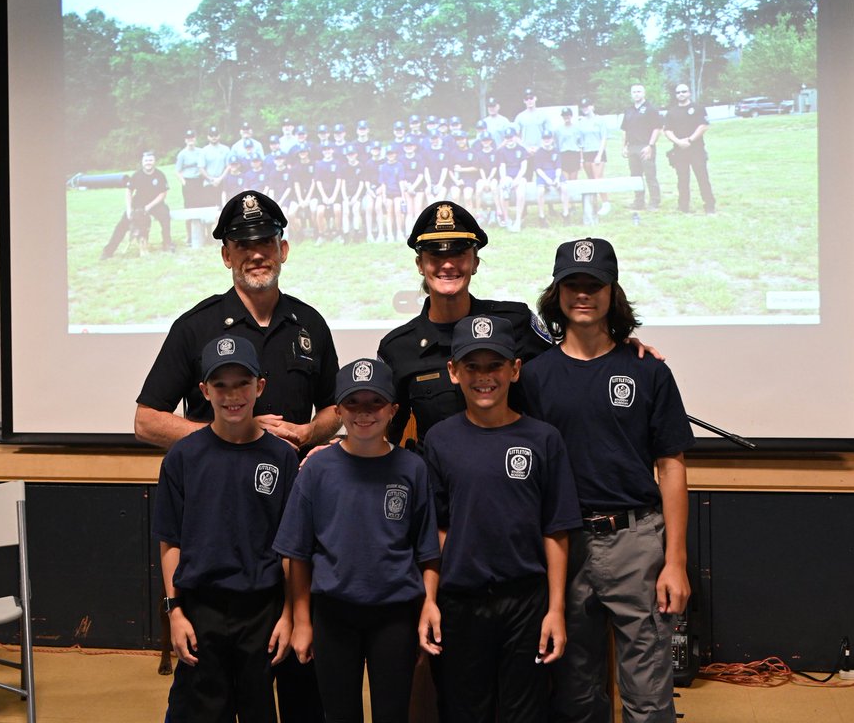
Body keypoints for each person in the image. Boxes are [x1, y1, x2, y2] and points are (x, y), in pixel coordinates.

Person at [135, 190, 338, 723]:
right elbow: (147, 420)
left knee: (299, 688)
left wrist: (307, 432)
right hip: (221, 537)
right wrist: (227, 433)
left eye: (266, 241)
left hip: (289, 531)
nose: (256, 253)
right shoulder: (196, 327)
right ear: (226, 255)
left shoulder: (310, 325)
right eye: (243, 244)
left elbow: (336, 408)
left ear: (283, 249)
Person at [521, 238, 694, 723]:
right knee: (575, 694)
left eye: (594, 285)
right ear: (556, 294)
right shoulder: (533, 377)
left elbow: (672, 465)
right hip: (564, 544)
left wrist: (675, 561)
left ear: (612, 292)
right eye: (571, 284)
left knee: (648, 696)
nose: (583, 294)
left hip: (635, 542)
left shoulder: (646, 370)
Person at [417, 314, 580, 723]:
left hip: (526, 600)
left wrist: (555, 609)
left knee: (525, 712)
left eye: (495, 366)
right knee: (462, 710)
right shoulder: (439, 439)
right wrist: (430, 600)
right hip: (460, 601)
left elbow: (556, 529)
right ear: (454, 371)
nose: (484, 377)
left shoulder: (543, 439)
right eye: (472, 366)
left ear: (515, 369)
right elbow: (436, 529)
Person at [274, 359, 440, 723]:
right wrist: (302, 621)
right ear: (338, 411)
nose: (364, 413)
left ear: (393, 410)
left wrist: (428, 604)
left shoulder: (412, 469)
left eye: (375, 403)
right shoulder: (316, 470)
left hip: (395, 614)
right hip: (333, 614)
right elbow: (297, 553)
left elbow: (427, 551)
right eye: (353, 403)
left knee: (393, 713)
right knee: (339, 713)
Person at [153, 335, 297, 723]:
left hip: (262, 611)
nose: (232, 396)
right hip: (200, 609)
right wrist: (175, 612)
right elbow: (170, 542)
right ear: (204, 391)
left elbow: (292, 549)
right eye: (221, 385)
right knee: (198, 709)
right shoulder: (183, 457)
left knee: (258, 708)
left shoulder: (281, 458)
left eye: (242, 384)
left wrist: (289, 614)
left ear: (259, 386)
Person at [377, 202, 551, 449]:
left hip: (512, 466)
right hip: (437, 472)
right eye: (436, 255)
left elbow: (559, 385)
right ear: (420, 265)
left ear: (475, 262)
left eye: (458, 253)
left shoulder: (516, 322)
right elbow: (383, 432)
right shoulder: (398, 347)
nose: (448, 265)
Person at [100, 150, 175, 259]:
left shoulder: (160, 175)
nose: (148, 162)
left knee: (165, 215)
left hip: (155, 204)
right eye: (146, 160)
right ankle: (108, 251)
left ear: (154, 162)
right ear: (142, 162)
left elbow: (163, 194)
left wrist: (149, 207)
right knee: (123, 224)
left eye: (150, 160)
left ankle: (167, 243)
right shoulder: (136, 175)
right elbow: (129, 191)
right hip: (138, 203)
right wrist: (129, 209)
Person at [663, 84, 716, 214]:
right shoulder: (671, 112)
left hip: (696, 149)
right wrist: (678, 142)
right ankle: (683, 207)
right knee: (682, 180)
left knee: (702, 178)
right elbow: (667, 130)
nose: (681, 94)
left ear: (689, 93)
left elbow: (703, 126)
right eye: (678, 92)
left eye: (683, 91)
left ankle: (709, 206)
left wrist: (690, 140)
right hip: (679, 151)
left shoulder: (698, 108)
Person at [621, 84, 664, 211]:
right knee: (635, 176)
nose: (636, 94)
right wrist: (624, 146)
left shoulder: (651, 109)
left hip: (645, 147)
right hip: (632, 147)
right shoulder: (628, 110)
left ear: (644, 93)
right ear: (631, 94)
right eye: (634, 92)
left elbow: (657, 128)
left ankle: (654, 202)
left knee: (650, 176)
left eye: (639, 91)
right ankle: (639, 202)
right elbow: (625, 130)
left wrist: (650, 146)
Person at [576, 98, 612, 217]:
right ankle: (594, 203)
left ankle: (606, 203)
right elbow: (580, 142)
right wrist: (581, 158)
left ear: (592, 106)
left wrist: (599, 155)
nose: (585, 109)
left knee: (598, 179)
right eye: (583, 107)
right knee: (591, 179)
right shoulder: (581, 122)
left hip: (597, 151)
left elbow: (604, 138)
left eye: (587, 106)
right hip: (587, 152)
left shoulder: (600, 120)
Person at [176, 129, 206, 247]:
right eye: (188, 138)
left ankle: (202, 234)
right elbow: (177, 171)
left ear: (195, 139)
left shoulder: (201, 152)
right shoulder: (182, 154)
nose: (190, 140)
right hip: (188, 182)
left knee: (201, 207)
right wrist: (184, 182)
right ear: (185, 140)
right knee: (189, 209)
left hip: (199, 182)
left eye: (192, 138)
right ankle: (189, 236)